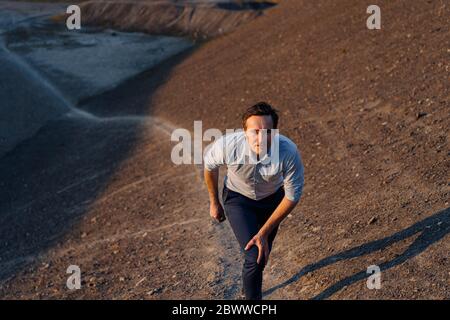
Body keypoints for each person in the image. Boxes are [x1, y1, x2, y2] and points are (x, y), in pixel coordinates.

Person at [203, 101, 304, 300]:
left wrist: (264, 232)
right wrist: (214, 201)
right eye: (255, 131)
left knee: (262, 254)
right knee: (255, 255)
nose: (261, 137)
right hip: (238, 199)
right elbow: (210, 167)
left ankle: (247, 286)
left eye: (267, 131)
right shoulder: (228, 145)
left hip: (272, 201)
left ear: (275, 132)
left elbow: (292, 196)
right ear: (244, 131)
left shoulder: (288, 152)